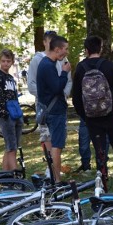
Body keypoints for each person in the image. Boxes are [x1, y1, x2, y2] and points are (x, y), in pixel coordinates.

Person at [72, 35, 113, 190]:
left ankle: (103, 180)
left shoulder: (80, 68)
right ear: (101, 48)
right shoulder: (110, 66)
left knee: (99, 149)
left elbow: (76, 97)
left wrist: (85, 115)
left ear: (86, 50)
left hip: (92, 117)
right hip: (112, 114)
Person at [36, 35, 72, 184]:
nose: (67, 53)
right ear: (57, 49)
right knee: (57, 145)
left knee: (56, 145)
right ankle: (57, 180)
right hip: (54, 111)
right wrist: (64, 73)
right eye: (65, 49)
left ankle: (54, 176)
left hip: (53, 110)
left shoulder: (46, 64)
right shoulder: (47, 65)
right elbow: (57, 87)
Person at [0, 49, 23, 171]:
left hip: (15, 113)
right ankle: (14, 175)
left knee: (11, 146)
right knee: (11, 147)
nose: (6, 64)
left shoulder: (10, 78)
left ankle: (6, 174)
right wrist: (4, 113)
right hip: (5, 116)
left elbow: (14, 95)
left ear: (12, 62)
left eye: (8, 61)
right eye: (3, 61)